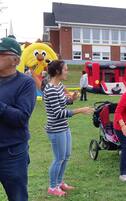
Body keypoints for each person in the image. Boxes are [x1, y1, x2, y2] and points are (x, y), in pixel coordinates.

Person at [43, 60, 94, 196]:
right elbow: (58, 113)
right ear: (58, 72)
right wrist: (80, 109)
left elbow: (63, 102)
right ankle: (52, 187)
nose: (67, 72)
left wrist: (72, 99)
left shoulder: (59, 86)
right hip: (56, 129)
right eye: (65, 69)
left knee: (65, 156)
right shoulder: (51, 89)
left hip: (64, 127)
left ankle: (59, 183)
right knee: (58, 158)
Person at [0, 37, 36, 201]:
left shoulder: (25, 83)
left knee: (18, 197)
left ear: (16, 60)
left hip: (12, 154)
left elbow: (21, 118)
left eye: (1, 53)